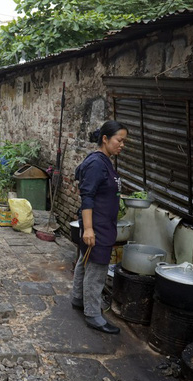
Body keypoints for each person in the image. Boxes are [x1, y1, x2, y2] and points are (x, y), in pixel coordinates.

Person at [71, 120, 127, 334]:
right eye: (119, 140)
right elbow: (87, 197)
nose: (122, 145)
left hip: (102, 224)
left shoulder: (105, 161)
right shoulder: (97, 163)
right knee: (97, 269)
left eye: (124, 141)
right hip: (97, 226)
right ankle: (93, 314)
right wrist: (88, 229)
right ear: (105, 139)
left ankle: (78, 299)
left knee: (84, 262)